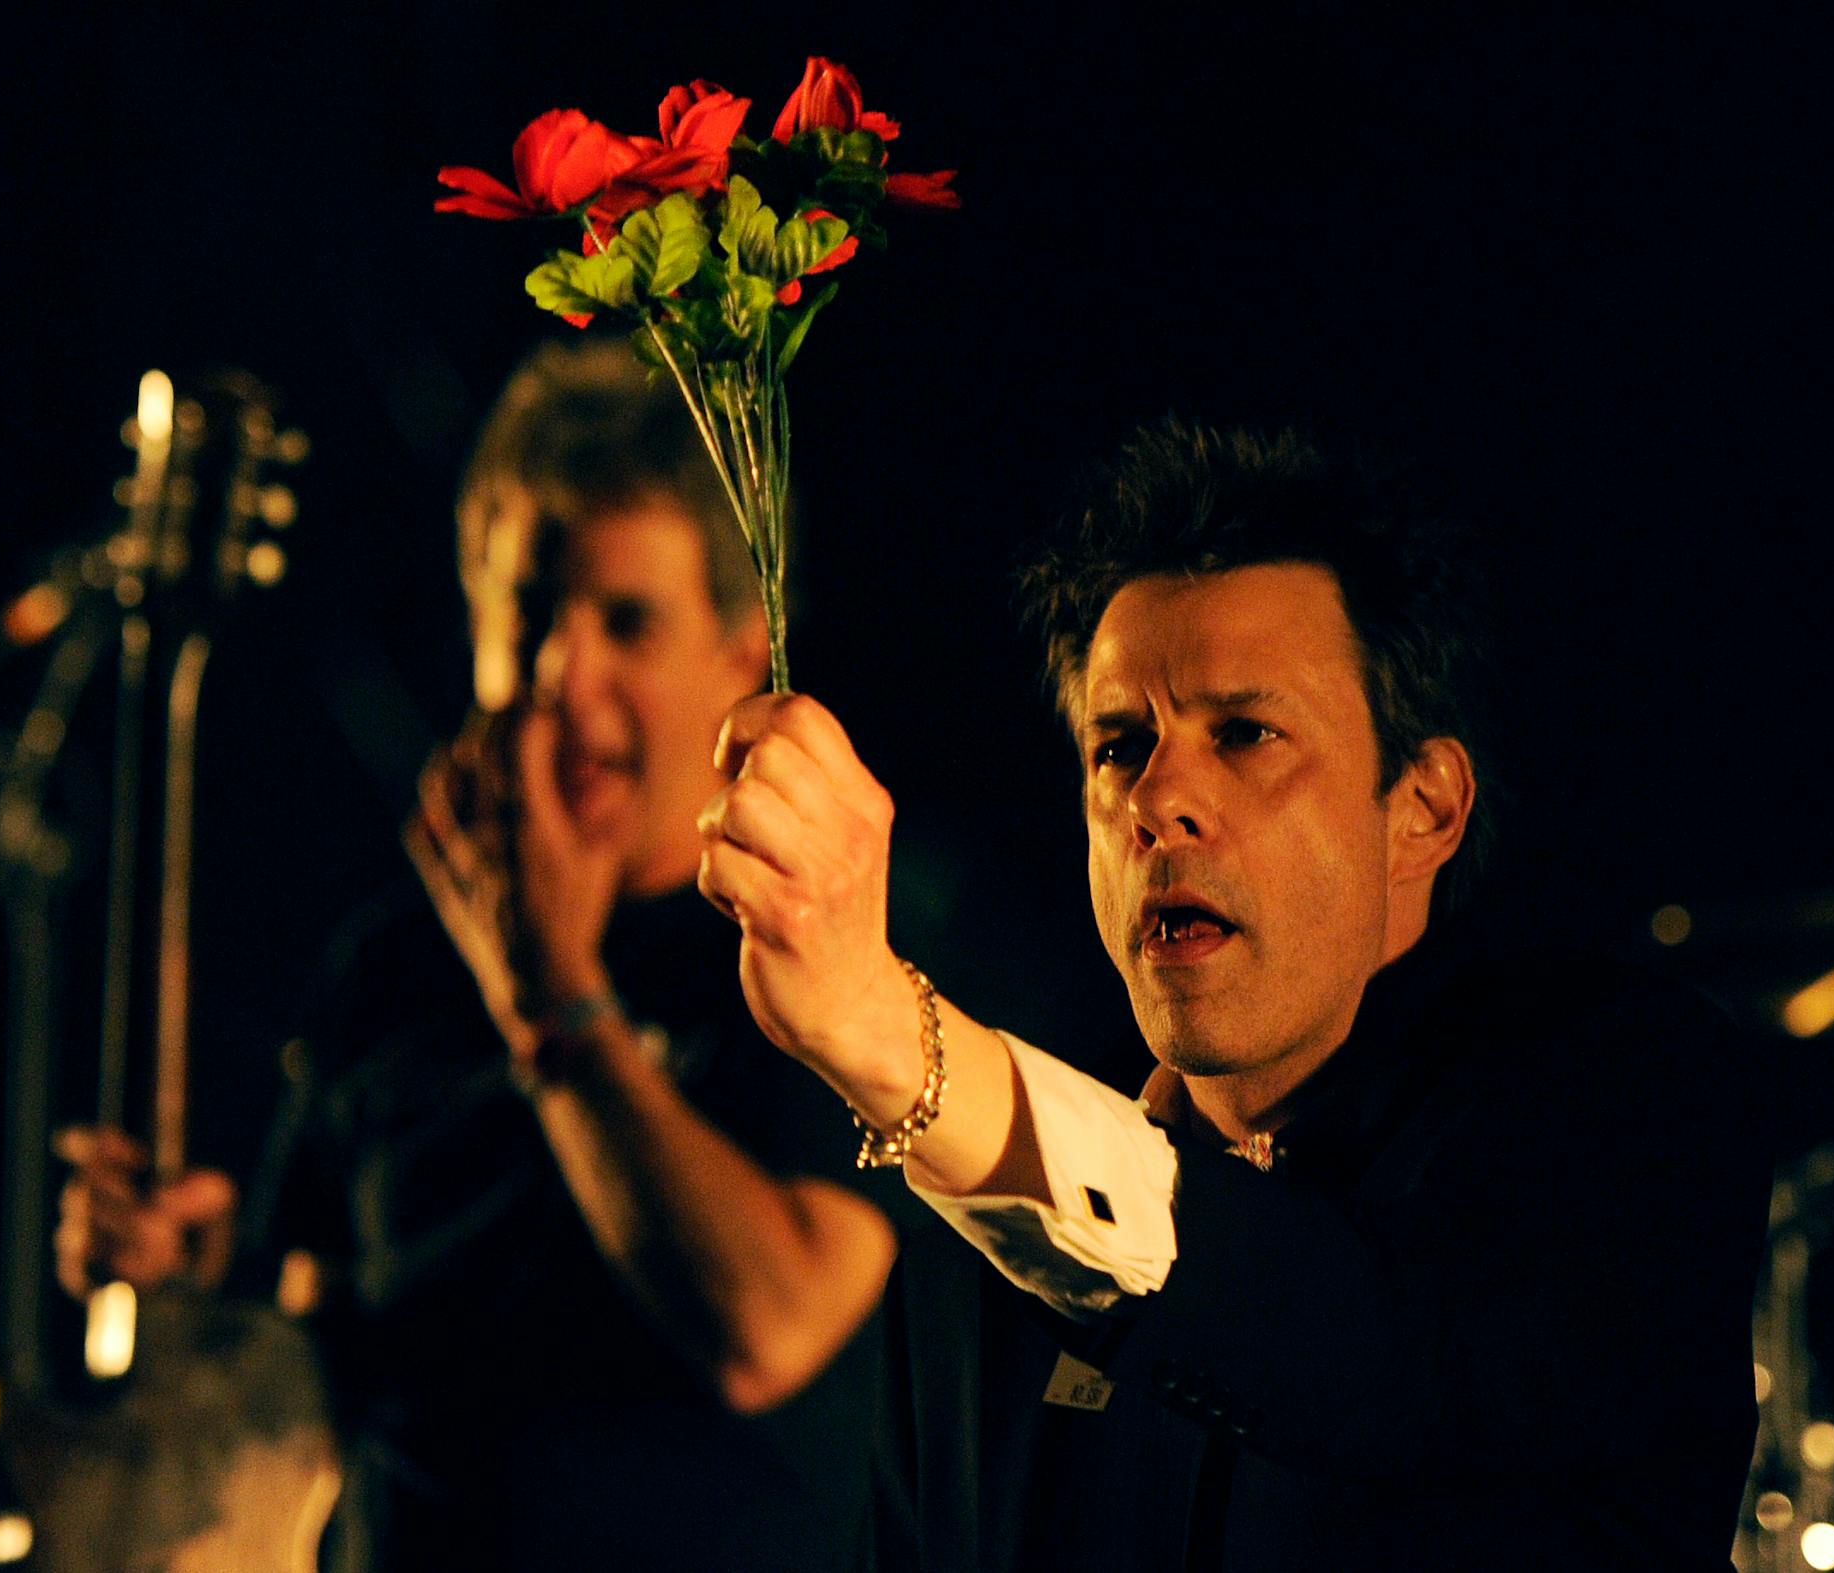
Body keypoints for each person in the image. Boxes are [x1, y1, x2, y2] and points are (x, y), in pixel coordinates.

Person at [695, 419, 1774, 1570]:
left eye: (1246, 733)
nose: (1161, 799)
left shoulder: (1623, 1106)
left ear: (1423, 808)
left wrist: (890, 1039)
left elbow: (1376, 1359)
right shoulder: (979, 1256)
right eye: (1118, 745)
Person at [55, 336, 904, 1571]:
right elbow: (315, 1298)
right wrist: (191, 1258)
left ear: (739, 649)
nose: (566, 672)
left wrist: (549, 990)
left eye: (628, 621)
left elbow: (768, 1323)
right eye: (529, 611)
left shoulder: (804, 942)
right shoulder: (398, 960)